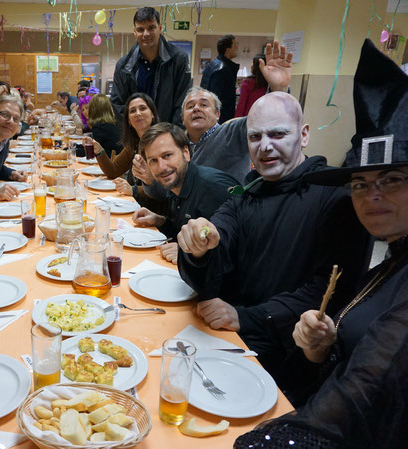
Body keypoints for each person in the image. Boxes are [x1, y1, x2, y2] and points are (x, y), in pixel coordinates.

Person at [235, 39, 408, 448]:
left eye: (393, 180)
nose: (373, 196)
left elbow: (368, 387)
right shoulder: (391, 259)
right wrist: (323, 348)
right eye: (361, 184)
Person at [176, 92, 372, 386]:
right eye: (255, 137)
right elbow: (221, 231)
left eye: (278, 134)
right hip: (230, 345)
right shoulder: (249, 193)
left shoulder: (337, 197)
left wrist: (248, 317)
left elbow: (329, 291)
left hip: (290, 362)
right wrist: (199, 246)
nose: (265, 146)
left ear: (304, 135)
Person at [184, 41, 294, 182]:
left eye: (204, 105)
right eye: (190, 106)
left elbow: (265, 117)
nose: (196, 108)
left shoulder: (232, 132)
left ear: (217, 114)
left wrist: (278, 89)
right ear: (182, 117)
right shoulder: (177, 144)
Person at [131, 123, 237, 265]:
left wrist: (187, 253)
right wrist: (160, 221)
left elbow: (235, 252)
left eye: (167, 155)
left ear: (186, 153)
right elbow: (181, 231)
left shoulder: (213, 189)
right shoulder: (177, 185)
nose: (161, 167)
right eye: (153, 161)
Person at [110, 7, 191, 124]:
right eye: (140, 29)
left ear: (160, 28)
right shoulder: (124, 66)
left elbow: (182, 102)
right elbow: (118, 105)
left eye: (151, 28)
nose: (146, 34)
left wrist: (172, 135)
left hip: (167, 134)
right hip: (135, 135)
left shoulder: (178, 59)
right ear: (134, 32)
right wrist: (134, 133)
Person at [86, 92, 158, 180]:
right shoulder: (133, 145)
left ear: (153, 114)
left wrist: (134, 190)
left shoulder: (160, 144)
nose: (138, 113)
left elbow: (163, 190)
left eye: (142, 108)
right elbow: (113, 171)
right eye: (133, 111)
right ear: (129, 120)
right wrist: (99, 151)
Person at [200, 34, 239, 124]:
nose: (237, 48)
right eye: (234, 45)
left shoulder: (213, 64)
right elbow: (216, 99)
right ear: (227, 50)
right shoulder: (222, 69)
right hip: (220, 119)